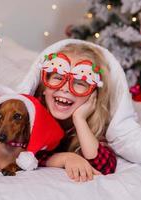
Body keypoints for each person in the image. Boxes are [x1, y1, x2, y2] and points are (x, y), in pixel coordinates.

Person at [33, 43, 117, 182]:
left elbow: (105, 166)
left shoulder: (91, 124)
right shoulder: (31, 112)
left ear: (93, 96)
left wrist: (80, 120)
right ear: (44, 86)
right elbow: (22, 154)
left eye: (79, 83)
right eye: (58, 78)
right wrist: (65, 158)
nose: (65, 88)